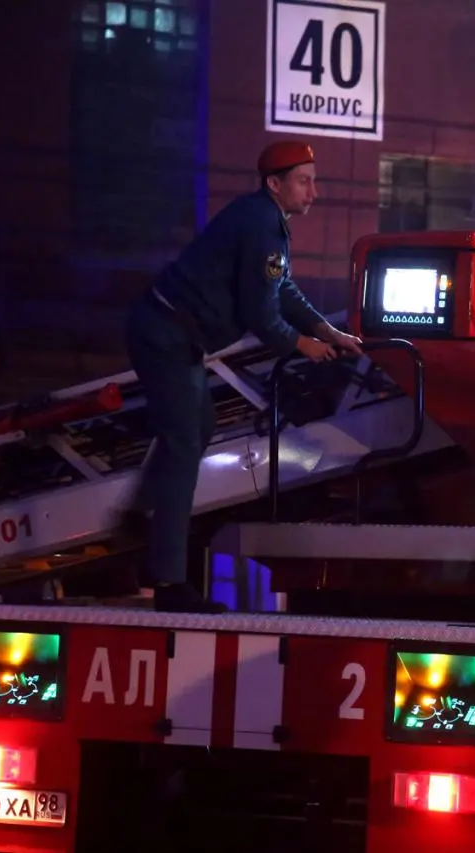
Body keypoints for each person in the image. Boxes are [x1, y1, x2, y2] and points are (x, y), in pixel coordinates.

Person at [117, 140, 363, 613]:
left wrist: (326, 330)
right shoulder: (261, 224)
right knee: (184, 445)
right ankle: (168, 582)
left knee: (197, 428)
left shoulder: (265, 219)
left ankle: (141, 511)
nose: (313, 192)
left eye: (313, 181)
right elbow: (261, 313)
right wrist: (303, 345)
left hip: (172, 332)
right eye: (304, 181)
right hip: (167, 334)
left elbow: (282, 289)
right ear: (275, 184)